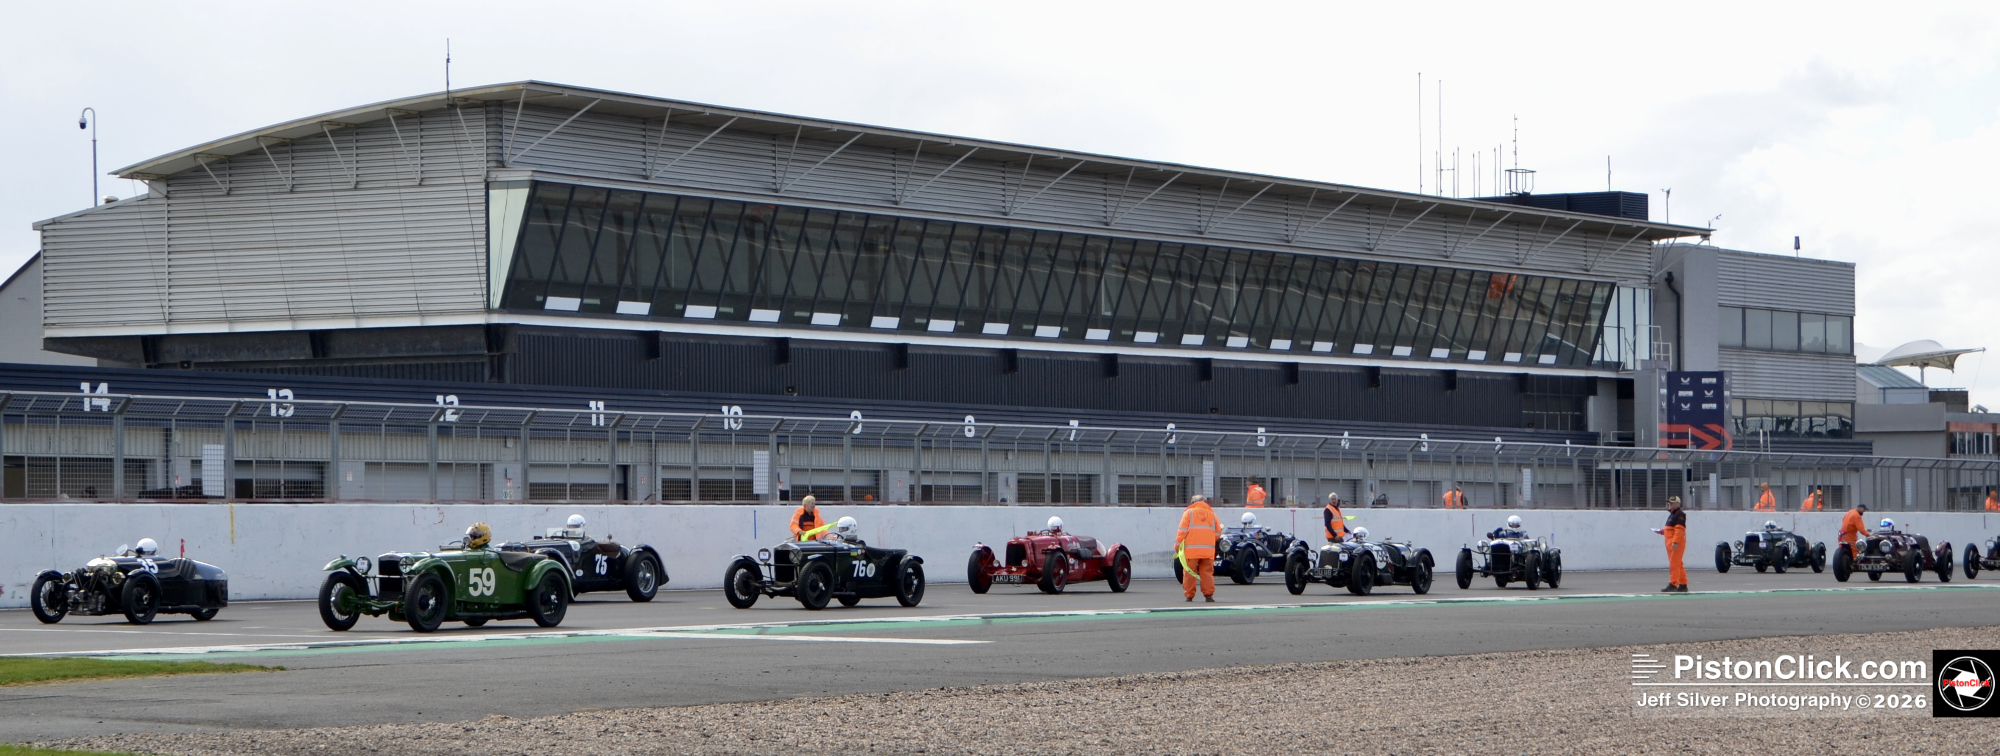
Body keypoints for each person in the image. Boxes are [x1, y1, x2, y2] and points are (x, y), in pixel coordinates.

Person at [1176, 494, 1221, 603]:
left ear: (1193, 502)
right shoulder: (1212, 514)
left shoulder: (1189, 513)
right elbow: (1218, 533)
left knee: (1189, 573)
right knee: (1207, 573)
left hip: (1191, 551)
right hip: (1208, 551)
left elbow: (1182, 531)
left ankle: (1189, 596)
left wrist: (1177, 546)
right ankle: (1208, 595)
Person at [1650, 496, 1687, 593]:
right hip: (1672, 543)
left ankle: (1673, 583)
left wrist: (1675, 542)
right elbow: (1670, 530)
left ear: (1677, 504)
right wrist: (1661, 531)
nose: (1669, 505)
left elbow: (1679, 530)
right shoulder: (1673, 514)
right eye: (1669, 503)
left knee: (1674, 564)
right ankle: (1683, 584)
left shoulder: (1679, 514)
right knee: (1678, 564)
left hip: (1675, 543)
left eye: (1672, 503)